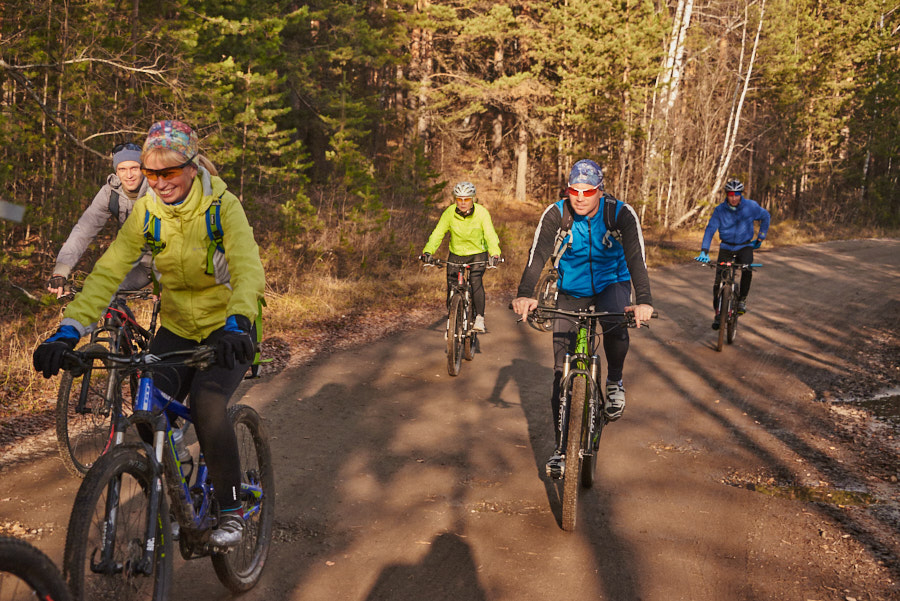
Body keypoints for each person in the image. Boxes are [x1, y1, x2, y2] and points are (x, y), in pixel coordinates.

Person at [33, 120, 265, 548]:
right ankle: (179, 481)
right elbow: (106, 274)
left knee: (209, 405)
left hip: (227, 328)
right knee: (147, 405)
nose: (159, 182)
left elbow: (248, 269)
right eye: (152, 173)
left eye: (169, 172)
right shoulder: (147, 212)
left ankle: (231, 508)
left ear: (192, 167)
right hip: (177, 329)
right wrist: (67, 331)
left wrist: (238, 323)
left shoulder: (222, 207)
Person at [511, 159, 653, 473]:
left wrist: (643, 300)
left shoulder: (620, 214)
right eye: (573, 190)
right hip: (571, 289)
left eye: (587, 192)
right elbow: (537, 256)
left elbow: (637, 259)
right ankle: (562, 450)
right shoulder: (556, 214)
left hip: (611, 282)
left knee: (617, 324)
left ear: (599, 191)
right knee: (561, 372)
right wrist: (525, 293)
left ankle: (614, 381)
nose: (579, 197)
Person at [47, 142, 152, 297]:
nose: (128, 175)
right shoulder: (111, 193)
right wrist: (61, 271)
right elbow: (83, 230)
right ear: (116, 171)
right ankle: (118, 318)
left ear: (143, 169)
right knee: (99, 293)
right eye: (122, 169)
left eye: (134, 168)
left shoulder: (158, 190)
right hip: (137, 263)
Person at [421, 181, 501, 333]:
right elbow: (438, 233)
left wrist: (495, 253)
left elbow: (490, 234)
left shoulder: (482, 213)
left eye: (466, 199)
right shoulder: (449, 213)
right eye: (459, 199)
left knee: (476, 282)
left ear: (472, 199)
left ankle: (479, 319)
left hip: (478, 253)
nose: (463, 203)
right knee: (452, 287)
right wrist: (428, 251)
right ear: (455, 199)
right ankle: (453, 322)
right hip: (456, 253)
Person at [694, 178, 770, 328]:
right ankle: (718, 314)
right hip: (726, 247)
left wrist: (760, 237)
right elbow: (710, 229)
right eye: (730, 194)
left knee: (747, 269)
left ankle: (742, 299)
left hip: (745, 246)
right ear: (726, 195)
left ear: (741, 194)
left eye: (736, 194)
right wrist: (704, 250)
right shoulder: (720, 210)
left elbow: (765, 216)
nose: (734, 198)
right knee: (718, 282)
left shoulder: (750, 207)